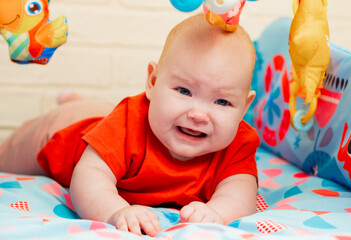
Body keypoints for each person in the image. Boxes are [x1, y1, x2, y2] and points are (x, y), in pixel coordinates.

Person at [0, 14, 259, 237]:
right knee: (6, 157)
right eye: (184, 90)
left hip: (109, 118)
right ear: (152, 82)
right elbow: (90, 177)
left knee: (106, 112)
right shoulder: (126, 123)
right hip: (66, 132)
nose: (199, 114)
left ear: (244, 108)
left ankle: (80, 100)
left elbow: (240, 194)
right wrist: (115, 211)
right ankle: (72, 103)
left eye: (222, 102)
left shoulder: (239, 143)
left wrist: (217, 212)